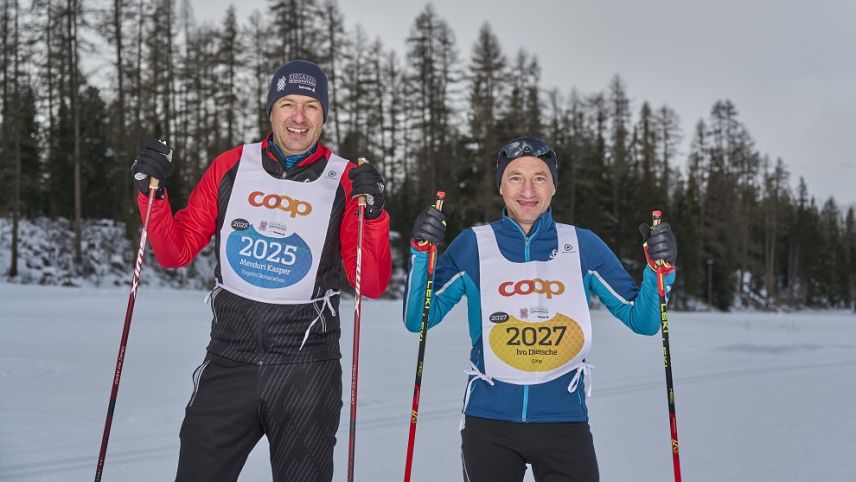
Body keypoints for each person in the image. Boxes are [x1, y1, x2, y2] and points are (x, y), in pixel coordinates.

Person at [130, 60, 391, 482]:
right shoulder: (233, 165)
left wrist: (375, 215)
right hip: (230, 359)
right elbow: (176, 251)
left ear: (324, 114)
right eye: (288, 103)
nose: (299, 117)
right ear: (271, 110)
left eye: (311, 106)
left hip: (307, 369)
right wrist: (151, 195)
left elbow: (371, 282)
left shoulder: (344, 179)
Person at [403, 136, 677, 482]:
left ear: (554, 187)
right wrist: (421, 251)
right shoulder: (474, 244)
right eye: (516, 177)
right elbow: (418, 320)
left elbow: (645, 320)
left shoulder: (583, 245)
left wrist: (658, 270)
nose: (528, 189)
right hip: (490, 423)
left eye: (540, 177)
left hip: (564, 423)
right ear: (501, 186)